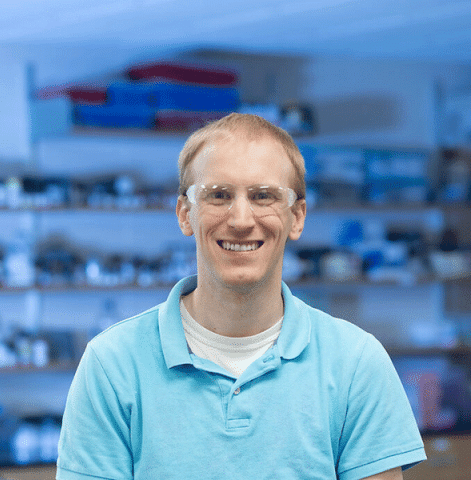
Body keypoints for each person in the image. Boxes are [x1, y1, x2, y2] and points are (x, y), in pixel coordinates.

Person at [56, 113, 426, 480]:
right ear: (185, 214)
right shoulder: (112, 364)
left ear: (297, 216)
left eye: (263, 196)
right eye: (218, 195)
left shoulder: (355, 363)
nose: (241, 219)